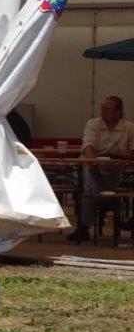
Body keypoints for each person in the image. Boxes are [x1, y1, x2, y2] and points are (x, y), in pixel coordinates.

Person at [67, 95, 134, 242]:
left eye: (107, 109)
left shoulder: (129, 128)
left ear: (118, 112)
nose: (102, 111)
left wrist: (118, 155)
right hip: (90, 165)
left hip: (113, 169)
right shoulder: (93, 124)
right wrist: (93, 162)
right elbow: (88, 145)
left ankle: (84, 227)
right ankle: (104, 202)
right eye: (102, 108)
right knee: (89, 177)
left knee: (89, 187)